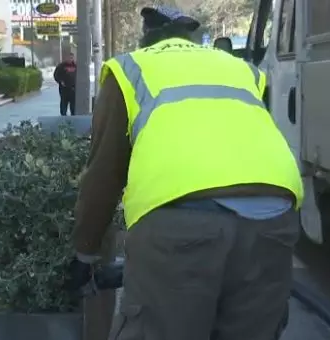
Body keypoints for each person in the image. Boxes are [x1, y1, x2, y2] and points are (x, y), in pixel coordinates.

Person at [67, 5, 304, 340]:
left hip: (180, 223)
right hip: (274, 214)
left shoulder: (132, 68)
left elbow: (105, 172)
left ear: (145, 39)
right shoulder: (242, 69)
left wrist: (85, 250)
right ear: (192, 38)